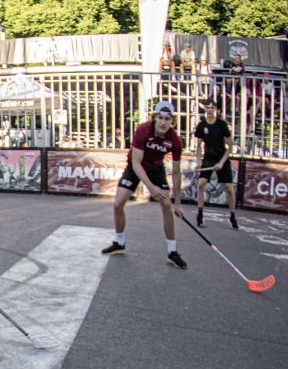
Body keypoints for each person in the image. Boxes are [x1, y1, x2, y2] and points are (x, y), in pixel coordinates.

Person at [102, 100, 187, 268]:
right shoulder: (143, 130)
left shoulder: (175, 140)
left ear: (172, 121)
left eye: (167, 119)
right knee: (118, 204)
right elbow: (136, 163)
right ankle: (119, 242)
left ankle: (172, 252)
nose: (163, 122)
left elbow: (177, 172)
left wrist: (178, 203)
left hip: (156, 169)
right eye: (160, 118)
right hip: (135, 167)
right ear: (155, 118)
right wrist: (151, 188)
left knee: (166, 205)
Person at [193, 97, 238, 228]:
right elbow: (198, 146)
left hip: (222, 158)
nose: (210, 110)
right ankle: (200, 214)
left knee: (229, 188)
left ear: (216, 110)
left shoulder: (222, 124)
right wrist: (198, 161)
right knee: (201, 184)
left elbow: (230, 146)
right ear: (205, 109)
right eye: (207, 107)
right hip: (208, 159)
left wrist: (221, 163)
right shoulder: (201, 125)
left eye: (212, 108)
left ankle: (232, 216)